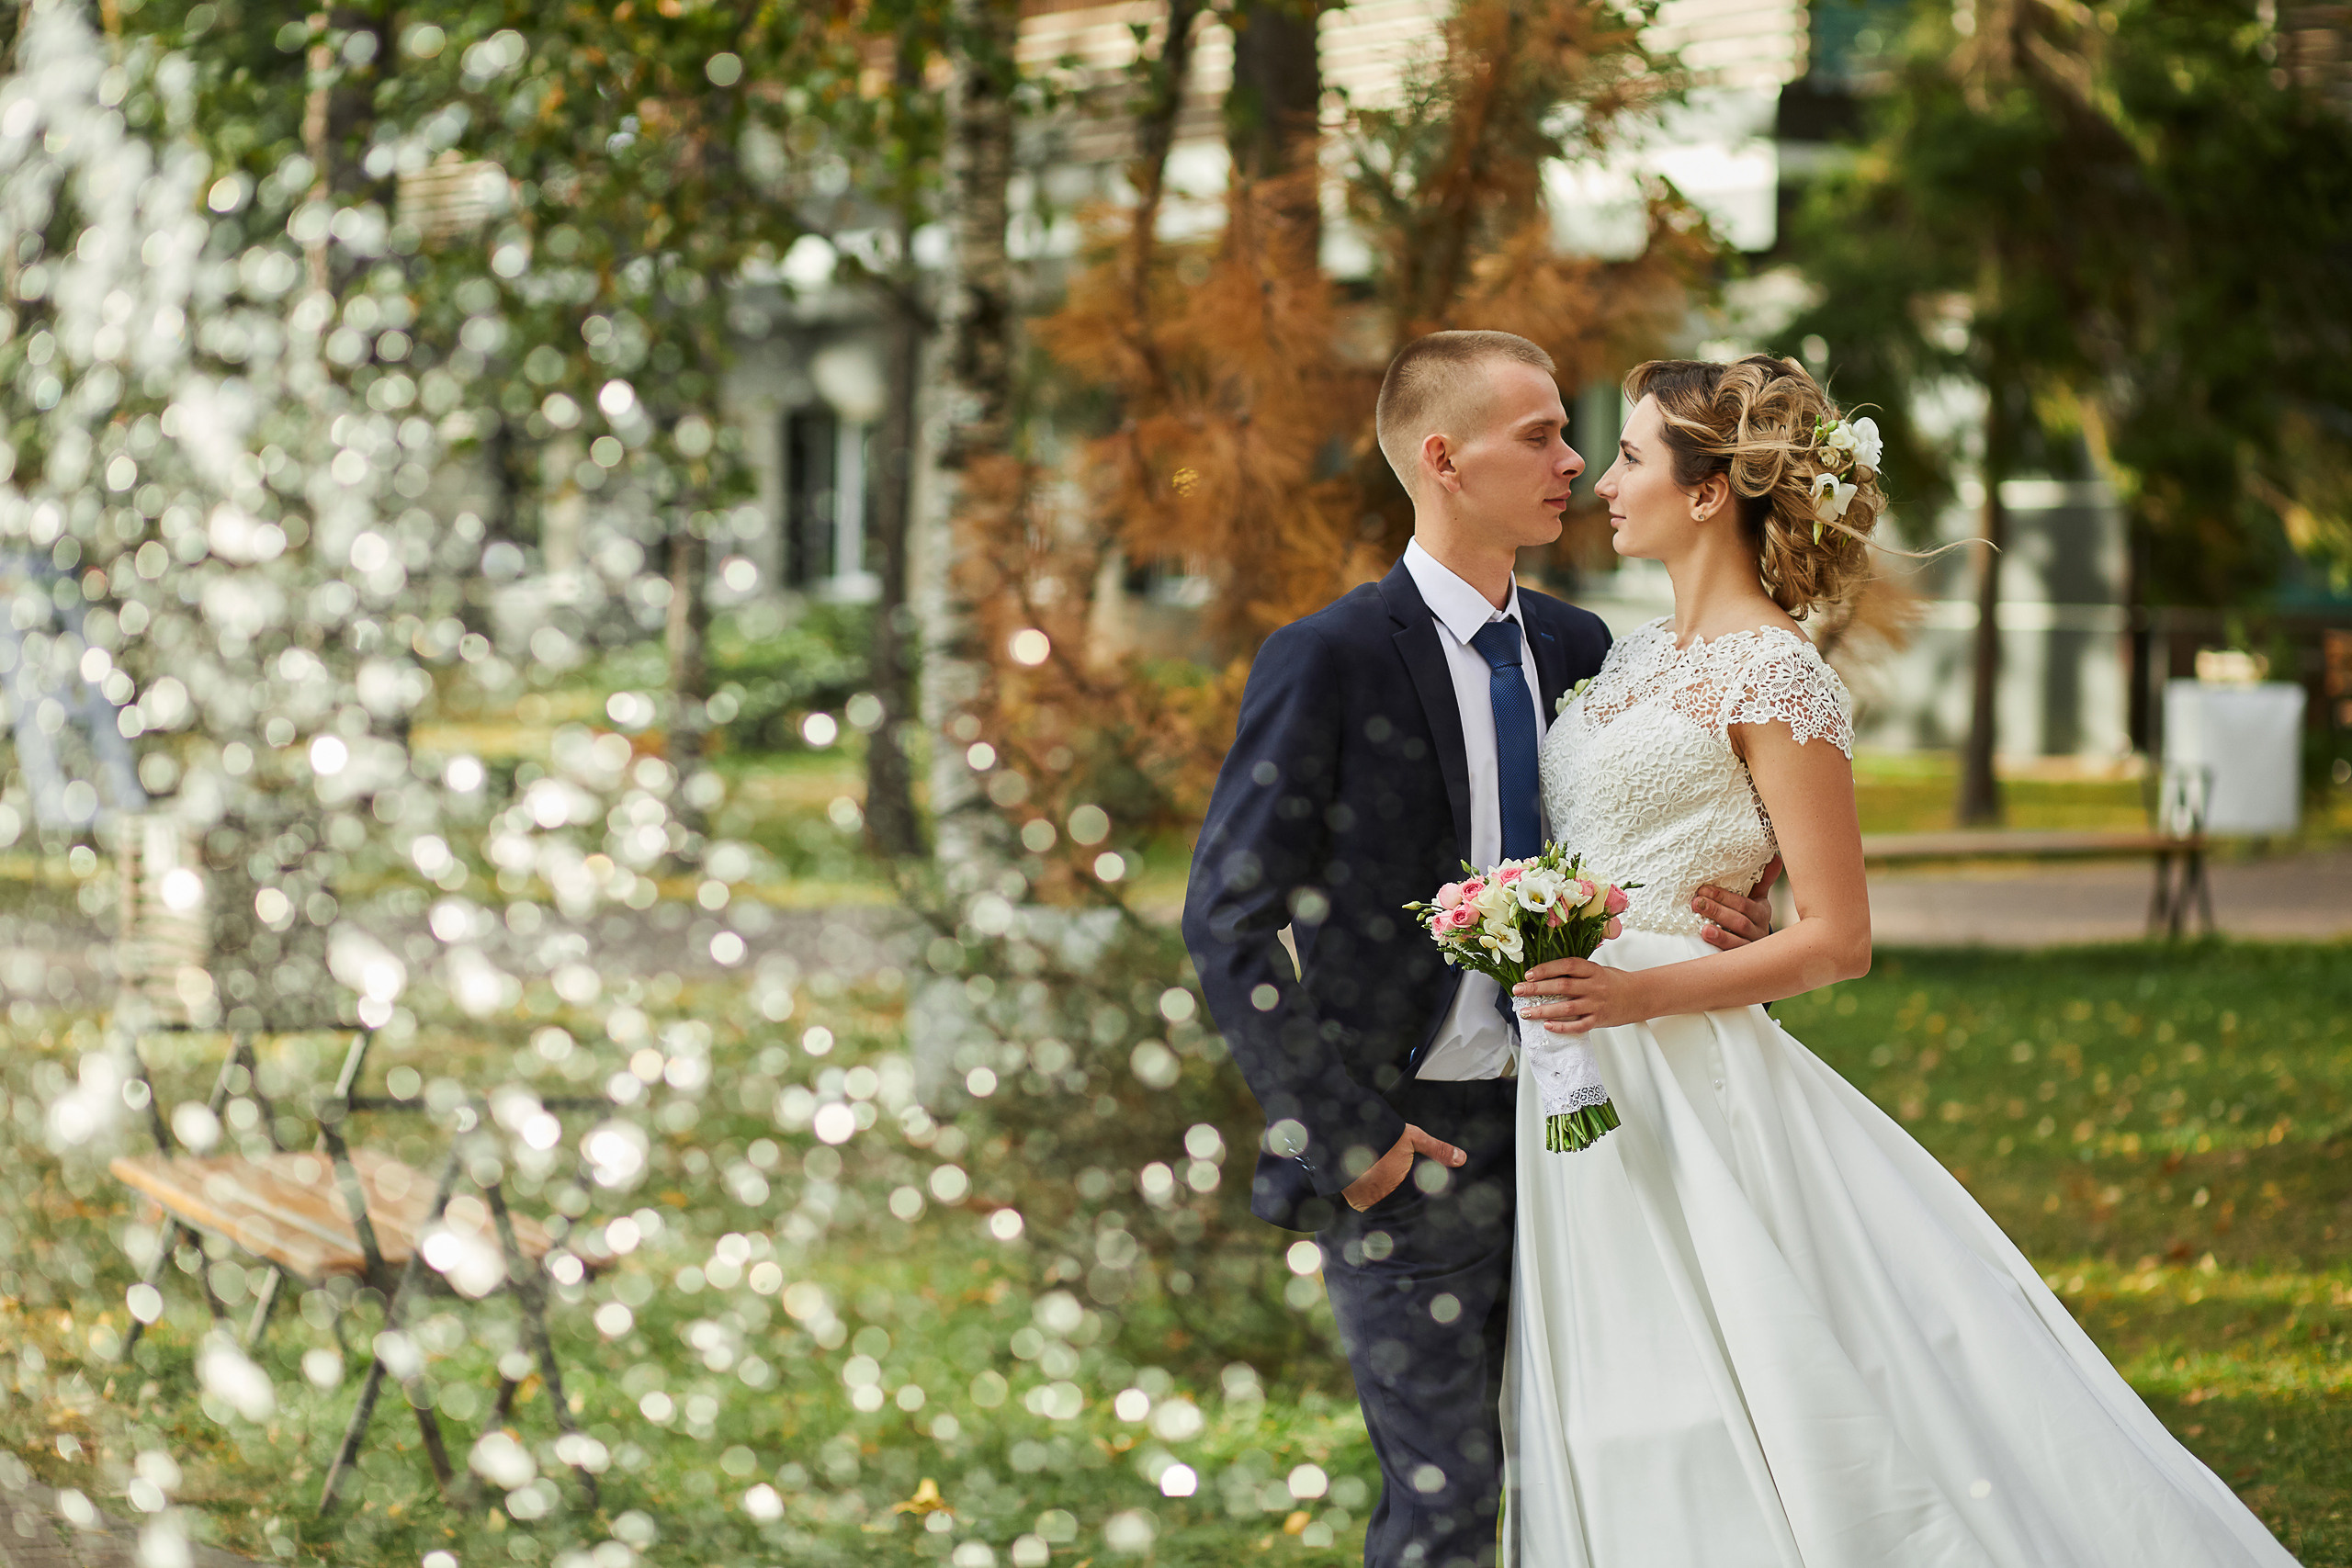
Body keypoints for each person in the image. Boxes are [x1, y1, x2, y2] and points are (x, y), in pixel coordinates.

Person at [1502, 355, 2296, 1567]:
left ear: (1711, 491)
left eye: (1628, 455)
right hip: (1583, 1065)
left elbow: (1839, 938)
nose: (1602, 481)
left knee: (1757, 1376)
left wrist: (1636, 989)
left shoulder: (1777, 674)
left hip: (1681, 1059)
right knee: (1625, 1383)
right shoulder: (1627, 659)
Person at [1182, 332, 1777, 1568]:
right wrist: (1352, 1144)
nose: (1573, 462)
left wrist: (1722, 907)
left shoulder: (1583, 652)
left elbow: (1644, 846)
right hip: (1416, 1150)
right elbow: (1227, 919)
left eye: (1575, 436)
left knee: (1616, 1467)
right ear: (1445, 460)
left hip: (1598, 1136)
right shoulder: (1329, 661)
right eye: (1542, 436)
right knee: (1447, 1504)